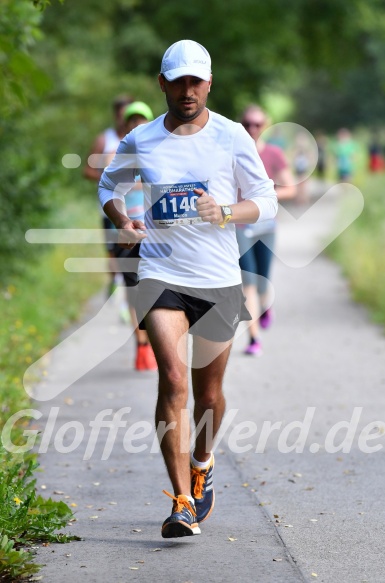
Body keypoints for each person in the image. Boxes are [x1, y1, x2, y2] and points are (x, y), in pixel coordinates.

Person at [98, 40, 278, 539]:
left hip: (218, 279)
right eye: (178, 81)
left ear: (209, 83)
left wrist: (224, 211)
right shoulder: (143, 140)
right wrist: (121, 218)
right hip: (160, 274)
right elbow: (107, 186)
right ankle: (181, 501)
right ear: (162, 84)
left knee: (209, 394)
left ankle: (202, 459)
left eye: (196, 81)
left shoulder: (231, 135)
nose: (187, 90)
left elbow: (266, 202)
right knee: (174, 380)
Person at [237, 105, 295, 356]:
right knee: (248, 281)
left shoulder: (273, 153)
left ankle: (266, 305)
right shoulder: (233, 153)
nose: (252, 129)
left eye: (257, 124)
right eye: (248, 124)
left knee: (263, 280)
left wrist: (265, 197)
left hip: (266, 225)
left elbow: (290, 188)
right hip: (240, 225)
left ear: (265, 126)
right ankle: (253, 339)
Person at [114, 101, 157, 371]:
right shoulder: (119, 157)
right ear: (126, 125)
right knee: (133, 292)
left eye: (143, 120)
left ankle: (152, 340)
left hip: (155, 235)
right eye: (133, 121)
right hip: (127, 234)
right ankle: (141, 345)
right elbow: (110, 188)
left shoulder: (162, 155)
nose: (137, 125)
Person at [83, 95, 133, 298]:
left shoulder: (140, 138)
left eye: (127, 115)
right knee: (113, 251)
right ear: (115, 115)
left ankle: (128, 293)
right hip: (110, 206)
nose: (124, 119)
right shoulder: (105, 139)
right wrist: (108, 178)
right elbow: (87, 170)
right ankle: (116, 281)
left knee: (132, 251)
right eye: (120, 115)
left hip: (137, 206)